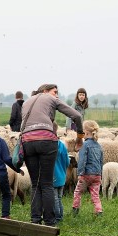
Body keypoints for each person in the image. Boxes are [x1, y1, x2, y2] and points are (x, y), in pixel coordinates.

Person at [21, 83, 83, 226]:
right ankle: (49, 222)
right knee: (47, 184)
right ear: (45, 91)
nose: (57, 95)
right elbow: (77, 115)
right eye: (55, 92)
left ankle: (35, 221)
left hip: (27, 142)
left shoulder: (27, 102)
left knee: (36, 184)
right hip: (46, 140)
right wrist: (79, 137)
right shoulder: (51, 99)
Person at [72, 120, 104, 217]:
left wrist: (80, 173)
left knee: (78, 192)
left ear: (86, 132)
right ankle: (99, 211)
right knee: (95, 195)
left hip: (86, 174)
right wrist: (100, 174)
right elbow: (101, 161)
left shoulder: (84, 145)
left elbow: (82, 160)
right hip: (97, 175)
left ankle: (75, 210)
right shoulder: (99, 146)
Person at [52, 133, 70, 224]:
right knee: (59, 198)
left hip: (53, 177)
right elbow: (67, 162)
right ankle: (60, 216)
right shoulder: (62, 145)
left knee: (54, 198)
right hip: (62, 176)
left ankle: (57, 217)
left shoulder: (50, 146)